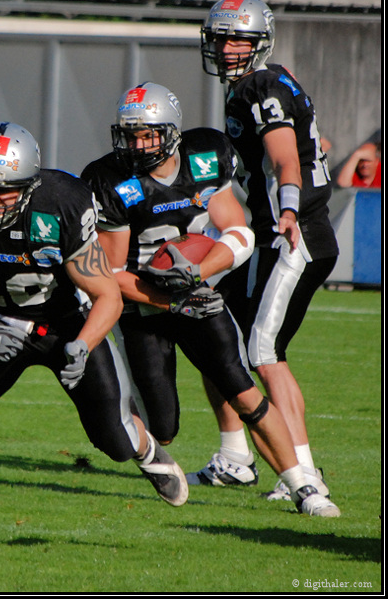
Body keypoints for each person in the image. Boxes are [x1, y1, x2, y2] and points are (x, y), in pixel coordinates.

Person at [0, 121, 189, 552]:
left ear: (30, 184)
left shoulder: (60, 202)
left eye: (5, 189)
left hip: (67, 321)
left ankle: (145, 448)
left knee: (113, 441)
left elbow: (107, 296)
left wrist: (84, 343)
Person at [82, 82, 339, 517]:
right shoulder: (110, 179)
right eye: (130, 134)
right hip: (141, 306)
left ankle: (304, 487)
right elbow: (110, 276)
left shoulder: (206, 155)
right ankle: (148, 449)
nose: (138, 144)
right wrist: (169, 300)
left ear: (172, 132)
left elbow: (238, 232)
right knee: (161, 427)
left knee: (243, 389)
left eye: (148, 134)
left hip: (199, 294)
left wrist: (198, 275)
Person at [199, 0, 339, 502]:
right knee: (214, 331)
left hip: (292, 233)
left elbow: (286, 157)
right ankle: (236, 457)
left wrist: (287, 209)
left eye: (240, 38)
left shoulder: (261, 87)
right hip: (278, 232)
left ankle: (302, 473)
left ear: (260, 41)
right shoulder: (264, 81)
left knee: (262, 351)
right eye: (222, 37)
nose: (229, 47)